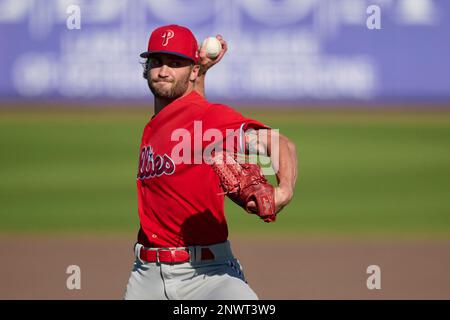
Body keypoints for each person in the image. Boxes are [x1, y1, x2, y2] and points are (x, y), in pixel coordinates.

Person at [123, 24, 298, 300]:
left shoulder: (209, 119)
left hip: (209, 276)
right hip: (146, 277)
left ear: (190, 70)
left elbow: (279, 143)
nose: (163, 71)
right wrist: (199, 71)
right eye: (156, 62)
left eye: (175, 63)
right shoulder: (158, 123)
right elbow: (186, 115)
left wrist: (284, 190)